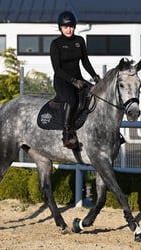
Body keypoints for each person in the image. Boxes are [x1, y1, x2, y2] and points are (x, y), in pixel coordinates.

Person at [50, 11, 100, 149]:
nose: (68, 29)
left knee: (96, 96)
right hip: (62, 81)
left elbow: (85, 62)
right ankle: (67, 133)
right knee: (72, 100)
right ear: (60, 27)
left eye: (71, 26)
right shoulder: (56, 44)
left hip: (79, 80)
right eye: (65, 27)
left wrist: (95, 77)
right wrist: (73, 81)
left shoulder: (79, 41)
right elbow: (57, 69)